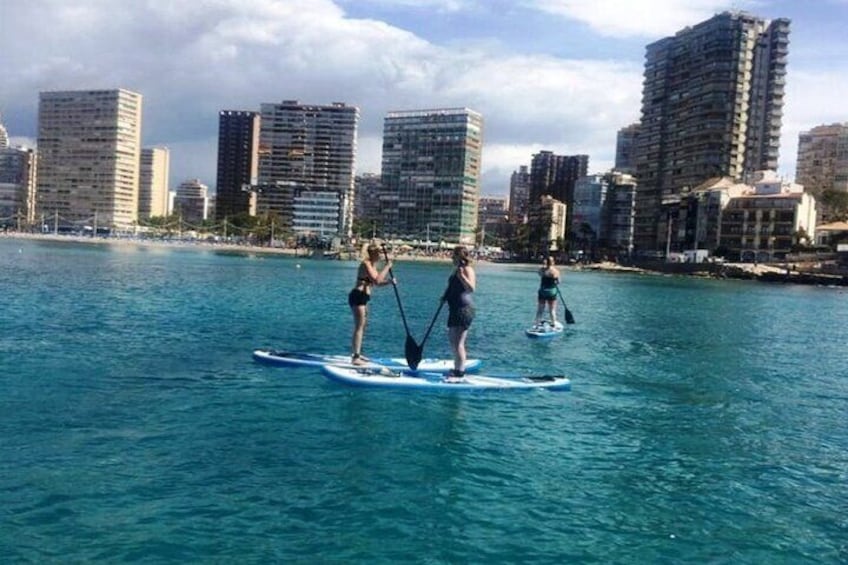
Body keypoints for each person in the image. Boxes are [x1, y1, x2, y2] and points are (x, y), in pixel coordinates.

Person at [349, 243, 394, 365]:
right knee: (359, 327)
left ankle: (358, 352)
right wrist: (387, 267)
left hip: (364, 297)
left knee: (363, 326)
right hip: (358, 296)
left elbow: (378, 284)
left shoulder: (373, 266)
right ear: (373, 253)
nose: (380, 255)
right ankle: (355, 357)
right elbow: (377, 279)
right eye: (378, 253)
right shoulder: (366, 264)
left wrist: (389, 282)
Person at [442, 245, 476, 379]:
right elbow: (452, 287)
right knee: (452, 340)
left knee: (459, 343)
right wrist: (445, 296)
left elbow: (471, 288)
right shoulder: (456, 270)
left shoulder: (468, 270)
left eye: (454, 255)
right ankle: (456, 368)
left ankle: (460, 372)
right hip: (454, 308)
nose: (451, 257)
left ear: (460, 257)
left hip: (464, 309)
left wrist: (462, 276)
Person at [534, 256, 561, 328]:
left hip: (542, 291)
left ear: (546, 262)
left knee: (540, 309)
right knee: (552, 309)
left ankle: (536, 324)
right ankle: (553, 324)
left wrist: (544, 266)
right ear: (553, 262)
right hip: (551, 292)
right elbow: (558, 282)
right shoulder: (556, 271)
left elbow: (539, 273)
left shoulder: (542, 270)